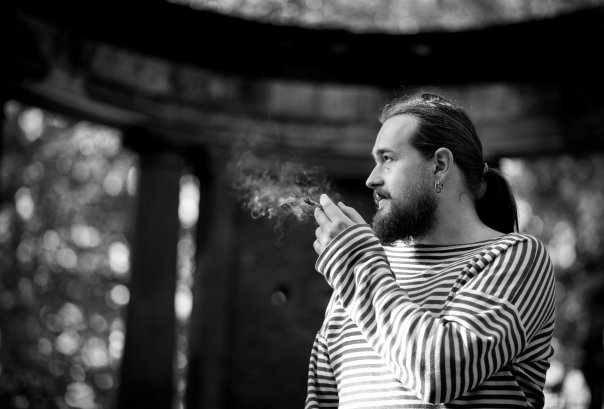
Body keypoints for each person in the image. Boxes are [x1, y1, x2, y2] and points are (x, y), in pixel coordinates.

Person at [306, 92, 556, 408]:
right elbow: (322, 401)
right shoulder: (361, 270)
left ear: (439, 165)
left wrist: (355, 262)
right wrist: (357, 263)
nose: (371, 179)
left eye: (387, 159)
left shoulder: (517, 257)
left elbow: (439, 373)